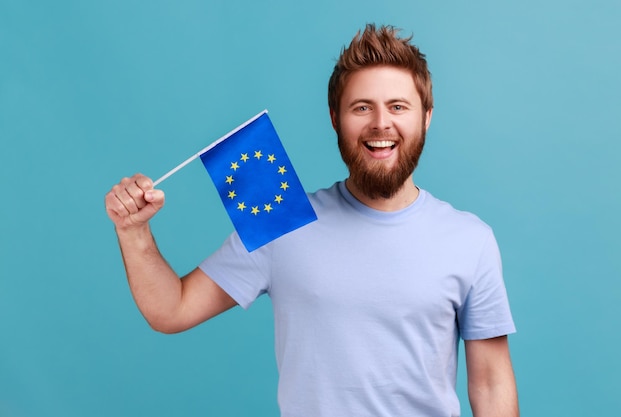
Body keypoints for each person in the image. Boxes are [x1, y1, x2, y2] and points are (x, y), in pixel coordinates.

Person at [105, 23, 519, 417]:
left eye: (398, 106)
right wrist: (133, 231)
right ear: (335, 119)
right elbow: (171, 310)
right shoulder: (283, 221)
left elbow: (491, 383)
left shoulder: (470, 240)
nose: (381, 123)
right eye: (362, 107)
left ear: (425, 117)